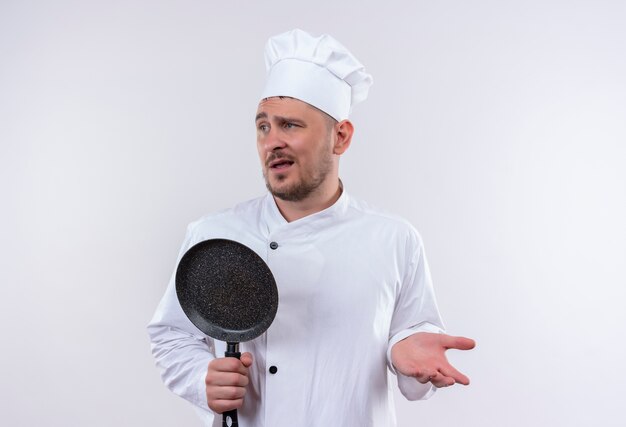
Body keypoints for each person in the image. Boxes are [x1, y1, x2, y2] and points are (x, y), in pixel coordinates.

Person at [148, 28, 475, 427]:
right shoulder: (216, 234)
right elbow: (171, 335)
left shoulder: (394, 239)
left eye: (290, 125)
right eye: (263, 126)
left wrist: (404, 354)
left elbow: (415, 358)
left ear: (340, 137)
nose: (272, 142)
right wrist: (202, 379)